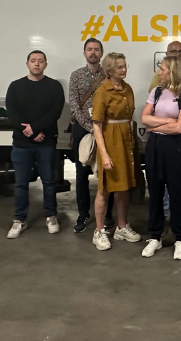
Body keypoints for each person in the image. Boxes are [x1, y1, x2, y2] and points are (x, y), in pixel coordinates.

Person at [5, 50, 65, 239]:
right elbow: (13, 114)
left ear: (46, 64)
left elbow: (55, 112)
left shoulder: (54, 86)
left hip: (46, 142)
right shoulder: (15, 87)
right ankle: (19, 219)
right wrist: (31, 133)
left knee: (48, 182)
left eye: (40, 61)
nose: (37, 64)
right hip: (22, 144)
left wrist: (36, 129)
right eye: (33, 61)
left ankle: (51, 216)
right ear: (27, 64)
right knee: (21, 184)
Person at [141, 56, 181, 260]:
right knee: (155, 191)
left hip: (176, 148)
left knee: (177, 192)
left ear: (172, 71)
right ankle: (155, 237)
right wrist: (167, 121)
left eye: (162, 69)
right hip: (155, 146)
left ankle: (180, 238)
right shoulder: (156, 92)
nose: (159, 72)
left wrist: (156, 125)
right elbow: (144, 119)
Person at [89, 52, 142, 251]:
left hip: (126, 139)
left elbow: (130, 117)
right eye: (120, 67)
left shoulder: (127, 89)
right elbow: (96, 125)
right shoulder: (103, 91)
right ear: (110, 70)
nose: (124, 69)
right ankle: (99, 230)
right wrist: (104, 155)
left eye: (125, 65)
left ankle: (121, 226)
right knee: (105, 188)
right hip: (110, 139)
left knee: (124, 186)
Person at [68, 38, 113, 233]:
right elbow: (74, 104)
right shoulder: (76, 75)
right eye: (89, 49)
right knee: (81, 174)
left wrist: (100, 127)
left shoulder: (109, 76)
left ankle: (108, 215)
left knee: (107, 173)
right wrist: (89, 126)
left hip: (105, 129)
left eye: (96, 49)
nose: (93, 52)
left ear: (102, 53)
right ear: (84, 53)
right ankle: (83, 214)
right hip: (83, 129)